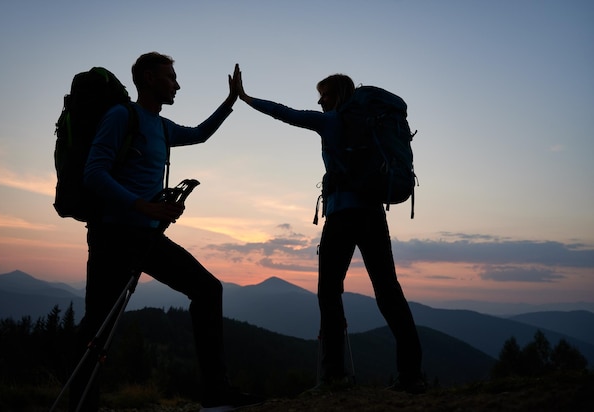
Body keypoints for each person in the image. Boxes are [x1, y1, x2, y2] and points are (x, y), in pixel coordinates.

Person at [69, 52, 262, 412]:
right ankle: (81, 404)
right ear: (148, 78)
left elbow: (200, 134)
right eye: (170, 77)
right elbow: (94, 173)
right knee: (99, 323)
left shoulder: (161, 126)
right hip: (112, 234)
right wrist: (143, 205)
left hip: (145, 235)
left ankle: (216, 393)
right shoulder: (120, 116)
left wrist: (231, 100)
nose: (177, 84)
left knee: (207, 290)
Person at [235, 66, 425, 394]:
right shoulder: (368, 125)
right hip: (373, 214)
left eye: (323, 95)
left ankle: (334, 375)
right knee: (388, 290)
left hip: (342, 216)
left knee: (329, 291)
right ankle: (412, 375)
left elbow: (287, 114)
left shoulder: (332, 122)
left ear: (335, 95)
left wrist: (247, 98)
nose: (319, 101)